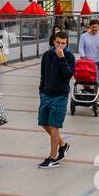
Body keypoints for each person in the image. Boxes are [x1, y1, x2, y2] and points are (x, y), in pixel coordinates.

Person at [37, 30, 74, 168]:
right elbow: (43, 74)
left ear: (66, 43)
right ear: (53, 41)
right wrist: (41, 91)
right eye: (58, 42)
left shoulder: (69, 56)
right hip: (46, 94)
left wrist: (61, 58)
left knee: (54, 125)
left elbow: (68, 75)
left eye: (63, 43)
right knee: (44, 122)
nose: (60, 46)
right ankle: (63, 145)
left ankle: (53, 157)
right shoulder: (46, 55)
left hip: (60, 95)